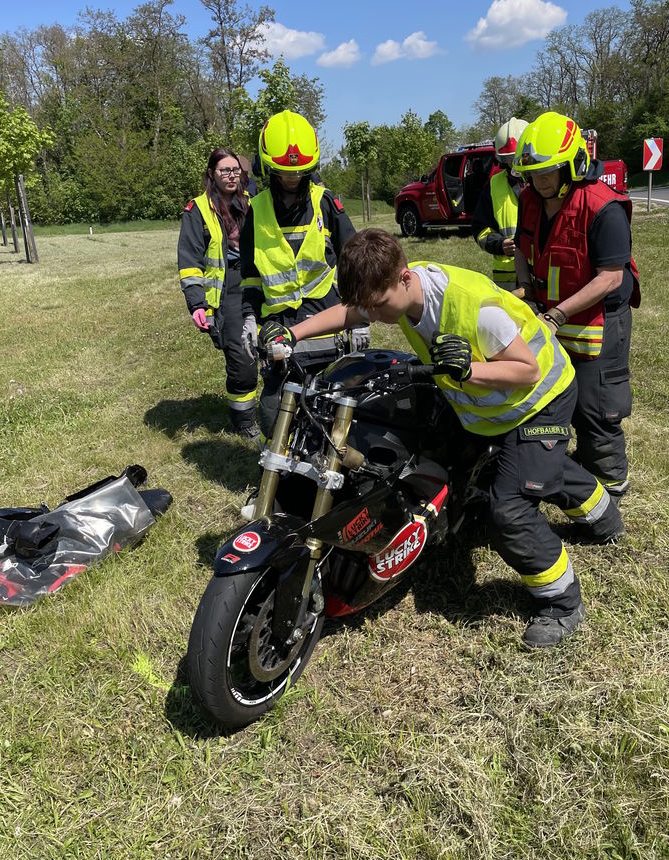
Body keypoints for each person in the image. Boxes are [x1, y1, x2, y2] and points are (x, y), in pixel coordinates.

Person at [260, 228, 626, 649]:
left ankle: (562, 602)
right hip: (488, 410)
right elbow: (352, 311)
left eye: (378, 306)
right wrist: (294, 333)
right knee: (522, 467)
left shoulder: (471, 307)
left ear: (404, 278)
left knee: (507, 509)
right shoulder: (394, 292)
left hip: (539, 400)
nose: (373, 317)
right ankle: (603, 515)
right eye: (368, 307)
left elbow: (528, 370)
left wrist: (470, 370)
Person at [512, 112, 640, 496]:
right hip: (552, 316)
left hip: (599, 319)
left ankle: (611, 488)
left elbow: (611, 277)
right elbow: (521, 246)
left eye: (547, 172)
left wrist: (557, 314)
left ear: (573, 165)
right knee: (550, 400)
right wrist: (524, 287)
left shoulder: (603, 207)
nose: (539, 181)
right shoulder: (530, 200)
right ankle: (571, 478)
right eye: (533, 173)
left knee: (596, 408)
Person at [240, 110, 369, 437]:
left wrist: (361, 317)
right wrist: (249, 318)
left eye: (299, 172)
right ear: (267, 168)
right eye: (284, 173)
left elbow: (354, 261)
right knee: (274, 416)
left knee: (334, 409)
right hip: (278, 329)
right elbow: (250, 275)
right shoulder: (256, 211)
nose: (292, 179)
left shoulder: (326, 203)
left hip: (327, 325)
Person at [177, 148, 259, 441]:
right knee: (242, 356)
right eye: (225, 170)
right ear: (212, 174)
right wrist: (196, 303)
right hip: (227, 291)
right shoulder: (197, 209)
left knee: (272, 347)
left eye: (235, 170)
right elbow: (190, 260)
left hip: (258, 282)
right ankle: (244, 420)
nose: (231, 175)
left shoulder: (253, 203)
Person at [471, 117, 528, 290]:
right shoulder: (494, 185)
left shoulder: (543, 183)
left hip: (540, 274)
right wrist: (499, 244)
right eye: (508, 159)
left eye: (518, 157)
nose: (514, 163)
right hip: (508, 280)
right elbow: (480, 229)